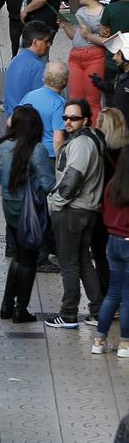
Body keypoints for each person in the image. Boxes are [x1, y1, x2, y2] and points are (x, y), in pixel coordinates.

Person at [47, 96, 106, 328]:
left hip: (73, 211)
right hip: (85, 210)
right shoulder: (88, 139)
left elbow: (73, 179)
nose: (68, 122)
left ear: (85, 119)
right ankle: (97, 308)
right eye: (66, 117)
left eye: (74, 118)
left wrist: (56, 202)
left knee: (69, 263)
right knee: (82, 260)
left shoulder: (82, 144)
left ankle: (69, 313)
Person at [0, 104, 56, 323]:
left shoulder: (1, 147)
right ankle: (21, 309)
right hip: (29, 211)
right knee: (28, 258)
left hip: (8, 206)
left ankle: (6, 305)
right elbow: (48, 184)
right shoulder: (37, 150)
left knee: (19, 256)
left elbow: (0, 178)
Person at [94, 130, 129, 354]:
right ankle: (126, 342)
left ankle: (99, 339)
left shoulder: (112, 186)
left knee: (113, 293)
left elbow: (104, 211)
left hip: (112, 241)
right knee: (127, 297)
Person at [62, 0, 108, 122]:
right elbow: (75, 36)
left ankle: (93, 133)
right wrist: (65, 26)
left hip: (94, 57)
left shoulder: (104, 13)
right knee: (74, 99)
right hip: (75, 57)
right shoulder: (80, 12)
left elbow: (106, 40)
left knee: (92, 101)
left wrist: (89, 34)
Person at [18, 59, 69, 162]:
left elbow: (12, 121)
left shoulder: (30, 95)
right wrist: (61, 162)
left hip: (27, 149)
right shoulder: (59, 103)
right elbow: (58, 139)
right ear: (65, 81)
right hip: (48, 154)